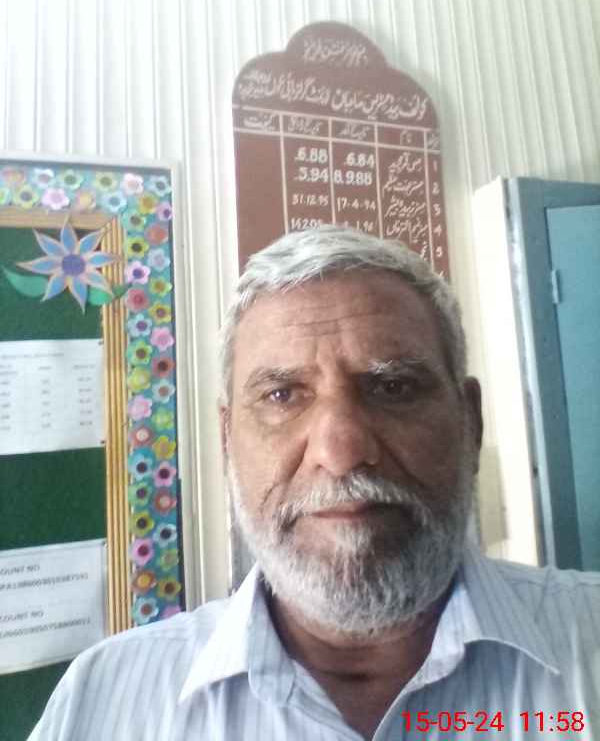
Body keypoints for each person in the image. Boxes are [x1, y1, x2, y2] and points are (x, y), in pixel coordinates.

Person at [30, 226, 600, 740]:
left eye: (393, 388)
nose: (341, 452)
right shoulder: (100, 702)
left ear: (470, 422)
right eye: (282, 395)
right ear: (228, 440)